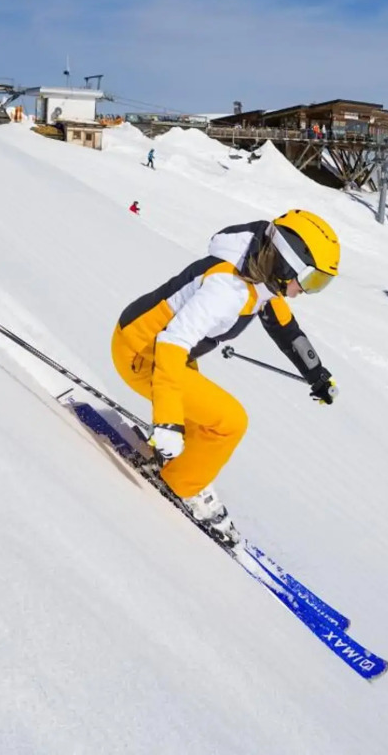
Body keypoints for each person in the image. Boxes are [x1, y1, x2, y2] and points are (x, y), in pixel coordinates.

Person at [110, 210, 340, 542]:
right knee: (229, 422)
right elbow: (172, 342)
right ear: (287, 264)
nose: (306, 291)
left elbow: (285, 328)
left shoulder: (258, 274)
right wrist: (168, 421)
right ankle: (181, 484)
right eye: (311, 281)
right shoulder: (227, 286)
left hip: (161, 350)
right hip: (143, 353)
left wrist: (316, 374)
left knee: (206, 420)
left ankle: (180, 465)